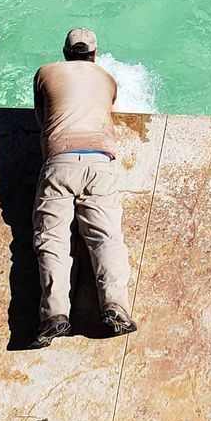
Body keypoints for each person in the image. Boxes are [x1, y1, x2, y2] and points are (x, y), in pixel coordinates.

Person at [28, 28, 136, 348]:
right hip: (100, 162)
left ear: (65, 52)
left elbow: (41, 118)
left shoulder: (45, 73)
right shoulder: (107, 77)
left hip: (59, 162)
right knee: (107, 238)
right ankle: (115, 306)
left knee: (52, 240)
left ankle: (54, 315)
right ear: (93, 54)